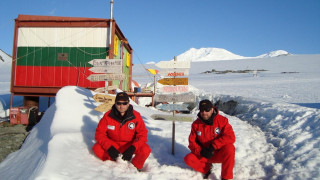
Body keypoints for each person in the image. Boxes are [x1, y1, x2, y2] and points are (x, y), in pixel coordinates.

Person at [92, 92, 151, 171]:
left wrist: (133, 148)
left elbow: (142, 135)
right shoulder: (107, 116)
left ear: (128, 103)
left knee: (145, 149)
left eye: (124, 103)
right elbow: (99, 134)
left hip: (129, 145)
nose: (121, 106)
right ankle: (115, 163)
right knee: (97, 148)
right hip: (113, 144)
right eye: (119, 103)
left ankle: (135, 166)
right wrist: (109, 148)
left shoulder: (136, 116)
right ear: (115, 103)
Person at [184, 99, 236, 180]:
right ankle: (207, 169)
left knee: (230, 148)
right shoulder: (196, 124)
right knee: (188, 159)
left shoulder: (222, 121)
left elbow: (230, 137)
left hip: (218, 152)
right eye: (202, 110)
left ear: (212, 109)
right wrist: (200, 151)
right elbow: (192, 143)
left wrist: (213, 146)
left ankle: (226, 177)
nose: (204, 112)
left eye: (207, 110)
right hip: (204, 154)